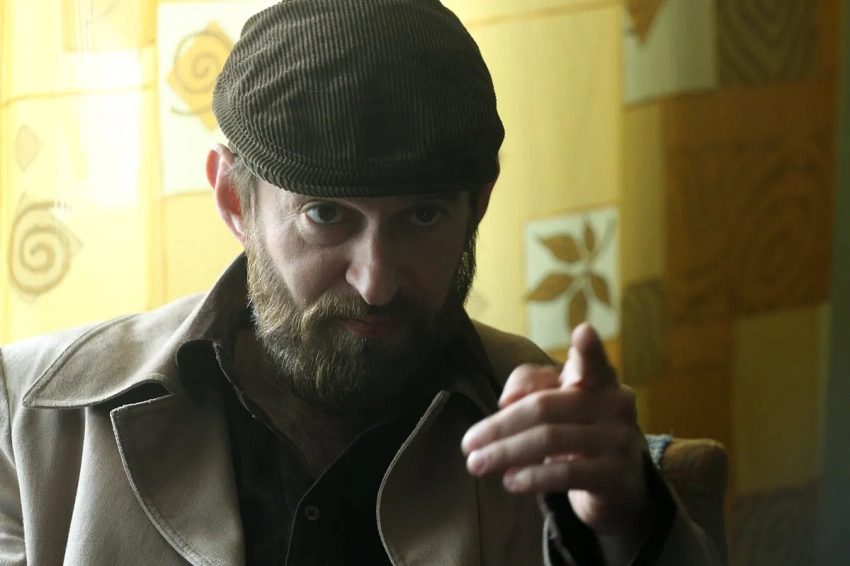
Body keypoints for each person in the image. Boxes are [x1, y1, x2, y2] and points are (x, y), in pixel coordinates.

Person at [0, 1, 722, 564]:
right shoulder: (27, 420)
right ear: (232, 200)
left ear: (478, 206)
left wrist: (629, 522)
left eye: (423, 216)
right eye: (325, 215)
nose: (375, 282)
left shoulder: (554, 435)